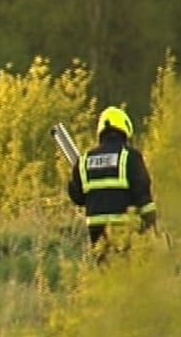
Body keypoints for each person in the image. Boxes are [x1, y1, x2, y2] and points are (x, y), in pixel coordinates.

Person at [67, 106, 158, 254]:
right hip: (123, 229)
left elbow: (77, 197)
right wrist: (151, 225)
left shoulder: (84, 160)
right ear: (124, 129)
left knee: (104, 270)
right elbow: (143, 195)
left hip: (96, 230)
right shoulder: (130, 157)